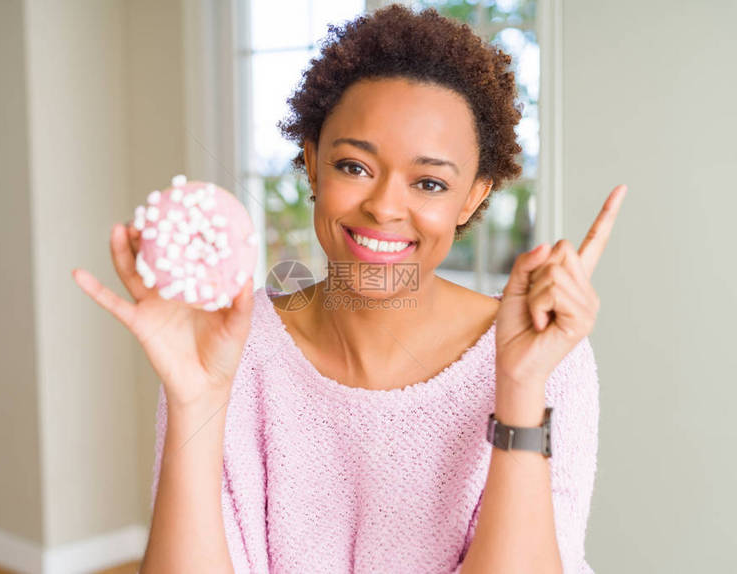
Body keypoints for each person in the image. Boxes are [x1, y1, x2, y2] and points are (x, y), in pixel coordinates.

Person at [72, 4, 627, 573]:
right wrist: (195, 402)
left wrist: (519, 386)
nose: (384, 206)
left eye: (430, 182)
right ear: (312, 164)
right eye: (354, 167)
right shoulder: (227, 348)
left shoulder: (545, 360)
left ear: (473, 197)